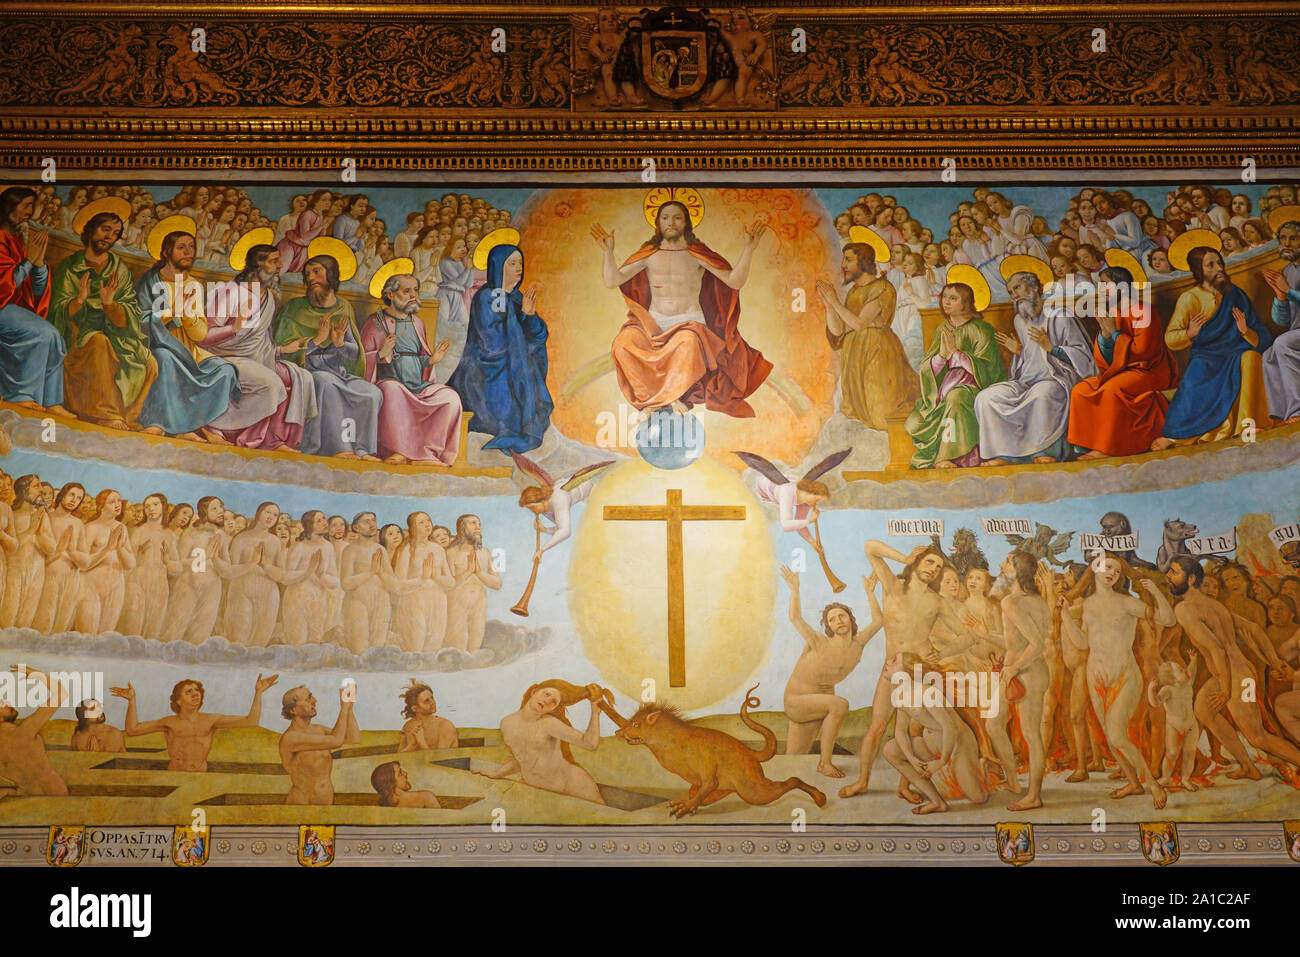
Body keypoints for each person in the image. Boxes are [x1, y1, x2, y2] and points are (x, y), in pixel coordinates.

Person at [592, 197, 772, 419]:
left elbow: (734, 281)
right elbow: (612, 280)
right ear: (658, 223)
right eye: (665, 218)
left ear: (686, 223)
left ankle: (666, 398)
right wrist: (608, 252)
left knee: (688, 344)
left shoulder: (696, 254)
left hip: (689, 323)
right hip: (653, 324)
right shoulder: (649, 254)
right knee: (623, 344)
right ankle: (658, 400)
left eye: (677, 218)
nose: (671, 223)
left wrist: (749, 249)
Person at [840, 542, 986, 800]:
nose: (934, 569)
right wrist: (904, 555)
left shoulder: (937, 602)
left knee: (914, 732)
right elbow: (869, 547)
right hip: (893, 668)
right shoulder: (893, 587)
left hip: (919, 672)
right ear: (916, 562)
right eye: (929, 562)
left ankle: (905, 786)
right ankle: (862, 781)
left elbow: (967, 637)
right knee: (877, 727)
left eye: (938, 566)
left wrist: (941, 653)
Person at [1059, 555, 1173, 808]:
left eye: (1118, 570)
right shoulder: (1087, 606)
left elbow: (1168, 619)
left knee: (1117, 735)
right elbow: (1082, 643)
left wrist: (1153, 590)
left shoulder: (1127, 603)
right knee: (1111, 739)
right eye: (1108, 567)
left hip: (1125, 676)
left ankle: (1153, 785)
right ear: (1095, 570)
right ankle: (1133, 782)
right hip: (1095, 676)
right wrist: (1065, 616)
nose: (1113, 573)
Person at [48, 202, 158, 430]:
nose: (109, 237)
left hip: (116, 333)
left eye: (115, 233)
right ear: (90, 230)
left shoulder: (119, 268)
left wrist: (110, 305)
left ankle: (126, 415)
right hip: (77, 335)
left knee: (149, 361)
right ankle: (107, 412)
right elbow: (57, 310)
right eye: (105, 229)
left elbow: (130, 311)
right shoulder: (71, 266)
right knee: (99, 343)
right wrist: (79, 300)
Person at [1154, 242, 1273, 448]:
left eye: (1219, 263)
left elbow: (1262, 335)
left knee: (1251, 357)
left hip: (1236, 350)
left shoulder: (1235, 294)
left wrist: (1245, 331)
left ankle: (1248, 425)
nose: (1219, 268)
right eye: (1211, 265)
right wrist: (1190, 333)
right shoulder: (1189, 298)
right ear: (1198, 271)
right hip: (1207, 355)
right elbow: (1171, 338)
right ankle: (1177, 435)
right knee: (1194, 376)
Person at [448, 229, 554, 452]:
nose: (519, 268)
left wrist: (529, 316)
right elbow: (491, 343)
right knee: (518, 383)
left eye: (520, 263)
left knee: (527, 375)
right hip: (486, 371)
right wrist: (521, 325)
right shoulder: (489, 296)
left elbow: (538, 335)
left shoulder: (516, 297)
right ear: (499, 266)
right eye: (512, 263)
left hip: (512, 365)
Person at [975, 267, 1094, 464]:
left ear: (1035, 287)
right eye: (1011, 292)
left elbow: (1082, 355)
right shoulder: (1019, 321)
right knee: (986, 398)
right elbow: (1030, 360)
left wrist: (1052, 348)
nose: (1015, 295)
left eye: (1018, 288)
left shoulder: (1059, 315)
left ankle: (1046, 451)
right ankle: (1005, 454)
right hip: (1025, 380)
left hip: (1055, 378)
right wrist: (1019, 352)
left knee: (1042, 396)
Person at [274, 250, 382, 460]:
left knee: (372, 392)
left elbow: (354, 353)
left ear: (331, 275)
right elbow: (282, 347)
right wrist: (315, 342)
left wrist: (340, 344)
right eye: (307, 274)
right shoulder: (294, 308)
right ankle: (338, 447)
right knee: (326, 383)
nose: (310, 278)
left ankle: (362, 449)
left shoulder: (343, 308)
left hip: (340, 372)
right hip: (307, 372)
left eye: (316, 272)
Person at [1067, 264, 1179, 458]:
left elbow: (1143, 351)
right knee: (1081, 389)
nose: (1101, 290)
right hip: (1122, 371)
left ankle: (1106, 448)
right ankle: (1088, 444)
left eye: (1104, 284)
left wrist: (1114, 333)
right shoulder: (1114, 313)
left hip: (1150, 371)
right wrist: (1104, 335)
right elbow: (1105, 361)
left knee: (1111, 391)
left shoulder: (1144, 310)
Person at [779, 566, 880, 777]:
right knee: (840, 704)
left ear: (850, 619)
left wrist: (870, 593)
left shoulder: (858, 644)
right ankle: (825, 763)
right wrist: (795, 590)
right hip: (797, 700)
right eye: (832, 619)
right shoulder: (819, 642)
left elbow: (879, 621)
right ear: (828, 627)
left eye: (841, 616)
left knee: (793, 761)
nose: (838, 621)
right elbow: (795, 618)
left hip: (819, 704)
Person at [359, 269, 461, 465]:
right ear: (390, 294)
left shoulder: (417, 323)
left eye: (416, 290)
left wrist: (431, 361)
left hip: (417, 385)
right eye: (407, 291)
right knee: (393, 390)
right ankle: (399, 450)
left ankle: (427, 452)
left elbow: (418, 359)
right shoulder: (375, 323)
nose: (414, 296)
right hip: (389, 382)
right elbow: (360, 361)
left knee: (450, 398)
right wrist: (381, 354)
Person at [814, 240, 919, 429]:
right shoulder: (854, 291)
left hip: (877, 352)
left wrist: (835, 302)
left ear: (862, 262)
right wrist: (829, 306)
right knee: (857, 412)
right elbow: (840, 332)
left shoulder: (883, 288)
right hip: (854, 354)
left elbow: (860, 323)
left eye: (848, 260)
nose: (843, 265)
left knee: (880, 410)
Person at [905, 276, 1005, 468]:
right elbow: (928, 367)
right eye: (945, 297)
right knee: (918, 418)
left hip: (975, 387)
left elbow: (989, 369)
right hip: (945, 388)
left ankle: (950, 457)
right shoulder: (942, 328)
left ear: (966, 303)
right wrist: (942, 356)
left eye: (953, 298)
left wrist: (956, 354)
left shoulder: (981, 329)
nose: (946, 302)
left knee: (956, 397)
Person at [111, 674, 278, 772]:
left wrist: (259, 692)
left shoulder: (211, 720)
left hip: (200, 775)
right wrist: (131, 701)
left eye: (197, 690)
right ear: (178, 700)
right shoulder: (169, 722)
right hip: (175, 774)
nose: (195, 694)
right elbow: (132, 730)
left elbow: (251, 721)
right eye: (188, 691)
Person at [0, 186, 69, 415]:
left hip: (12, 307)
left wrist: (38, 265)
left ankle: (51, 400)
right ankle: (21, 395)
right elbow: (4, 285)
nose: (30, 212)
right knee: (42, 333)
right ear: (9, 207)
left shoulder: (19, 242)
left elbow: (34, 291)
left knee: (55, 336)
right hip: (1, 305)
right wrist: (29, 261)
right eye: (26, 205)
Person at [478, 681, 607, 804]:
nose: (547, 701)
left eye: (554, 702)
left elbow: (590, 744)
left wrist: (595, 713)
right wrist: (498, 774)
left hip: (574, 786)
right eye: (547, 694)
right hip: (542, 791)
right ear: (534, 692)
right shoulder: (506, 723)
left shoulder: (549, 724)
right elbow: (521, 760)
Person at [280, 684, 360, 805]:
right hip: (302, 804)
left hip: (326, 802)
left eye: (311, 696)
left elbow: (353, 738)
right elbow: (336, 741)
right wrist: (343, 708)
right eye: (308, 699)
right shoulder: (291, 737)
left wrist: (349, 708)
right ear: (293, 710)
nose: (314, 700)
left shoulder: (319, 730)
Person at [0, 666, 68, 795]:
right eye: (1, 703)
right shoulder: (24, 731)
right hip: (55, 795)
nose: (8, 702)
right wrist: (38, 675)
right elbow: (61, 694)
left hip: (27, 798)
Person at [1260, 217, 1300, 424]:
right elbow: (1282, 321)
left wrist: (1289, 291)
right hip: (1297, 331)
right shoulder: (1287, 271)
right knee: (1268, 355)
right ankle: (1280, 412)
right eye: (1283, 238)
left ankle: (1298, 409)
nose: (1286, 244)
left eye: (1293, 238)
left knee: (1282, 343)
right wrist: (1280, 297)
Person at [443, 513, 501, 652]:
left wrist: (480, 573)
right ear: (462, 529)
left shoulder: (485, 553)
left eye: (479, 524)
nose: (478, 527)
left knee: (474, 648)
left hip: (479, 606)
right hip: (457, 606)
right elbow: (447, 585)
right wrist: (468, 571)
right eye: (473, 523)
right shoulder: (451, 553)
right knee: (458, 648)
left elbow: (497, 583)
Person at [397, 680, 459, 751]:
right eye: (426, 701)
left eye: (432, 698)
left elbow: (440, 759)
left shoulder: (445, 725)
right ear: (415, 708)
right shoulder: (408, 726)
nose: (432, 702)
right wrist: (412, 745)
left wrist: (421, 742)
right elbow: (399, 757)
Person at [371, 761, 440, 808]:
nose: (405, 773)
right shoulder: (427, 797)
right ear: (391, 783)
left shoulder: (385, 805)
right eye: (400, 773)